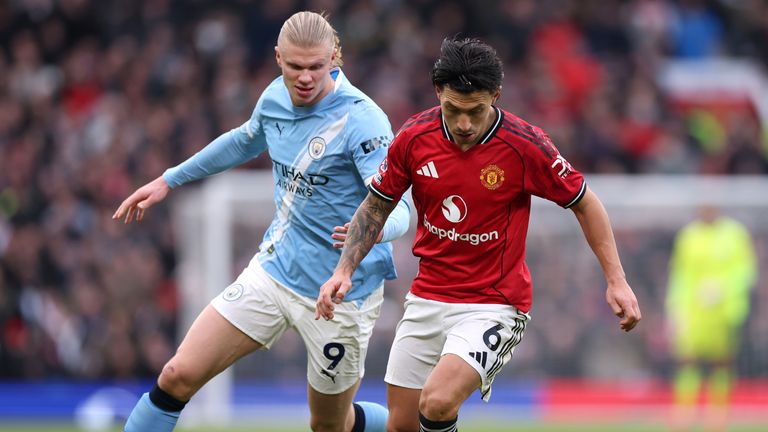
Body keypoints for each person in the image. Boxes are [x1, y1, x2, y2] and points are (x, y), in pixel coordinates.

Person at [316, 37, 642, 432]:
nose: (464, 124)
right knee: (401, 425)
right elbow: (376, 204)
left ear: (496, 97)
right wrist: (343, 271)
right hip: (427, 297)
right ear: (438, 92)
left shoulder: (525, 145)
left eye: (476, 111)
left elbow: (584, 201)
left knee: (436, 402)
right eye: (453, 110)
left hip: (494, 304)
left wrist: (616, 280)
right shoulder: (414, 137)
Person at [113, 11, 410, 432]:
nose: (304, 78)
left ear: (334, 59)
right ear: (277, 58)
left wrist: (377, 228)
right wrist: (168, 180)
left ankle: (403, 425)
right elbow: (244, 140)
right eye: (294, 67)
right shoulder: (273, 98)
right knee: (177, 375)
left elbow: (400, 208)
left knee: (329, 425)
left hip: (341, 293)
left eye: (315, 67)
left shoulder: (364, 120)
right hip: (274, 273)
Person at [666, 205, 757, 432]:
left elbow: (746, 271)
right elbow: (680, 275)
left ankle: (718, 416)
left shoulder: (735, 235)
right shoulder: (688, 236)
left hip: (725, 310)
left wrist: (724, 290)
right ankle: (684, 414)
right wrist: (675, 308)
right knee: (688, 360)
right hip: (693, 310)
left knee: (722, 361)